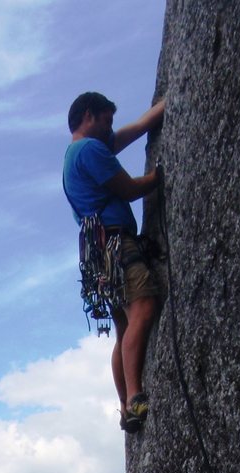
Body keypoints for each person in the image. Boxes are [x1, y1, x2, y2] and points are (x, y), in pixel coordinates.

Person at [63, 91, 165, 433]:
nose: (110, 129)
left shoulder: (75, 156)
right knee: (143, 307)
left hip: (98, 252)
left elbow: (134, 129)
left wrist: (171, 100)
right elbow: (128, 189)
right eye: (106, 120)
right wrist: (157, 178)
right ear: (88, 115)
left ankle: (125, 406)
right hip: (116, 243)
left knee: (123, 327)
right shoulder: (90, 150)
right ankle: (136, 395)